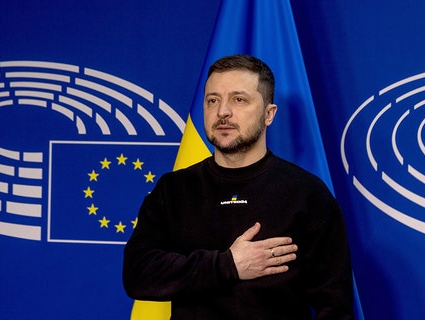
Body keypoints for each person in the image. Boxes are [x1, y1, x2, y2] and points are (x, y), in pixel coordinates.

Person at [123, 54, 354, 319]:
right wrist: (228, 265)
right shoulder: (173, 190)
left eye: (239, 99)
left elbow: (335, 307)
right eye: (212, 100)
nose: (222, 112)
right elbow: (137, 273)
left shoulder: (308, 194)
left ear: (269, 114)